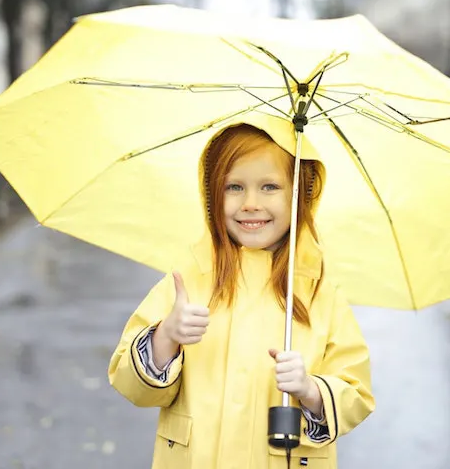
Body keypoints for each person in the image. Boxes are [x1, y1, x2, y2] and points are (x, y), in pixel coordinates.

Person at [108, 123, 374, 468]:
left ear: (299, 196)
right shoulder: (188, 282)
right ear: (212, 195)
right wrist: (166, 337)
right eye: (234, 187)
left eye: (269, 187)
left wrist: (311, 390)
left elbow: (356, 393)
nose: (250, 203)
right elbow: (131, 384)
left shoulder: (319, 294)